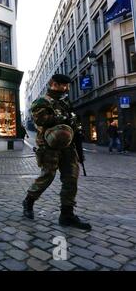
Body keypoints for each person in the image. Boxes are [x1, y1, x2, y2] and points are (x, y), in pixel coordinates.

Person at [22, 74, 91, 231]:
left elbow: (74, 123)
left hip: (68, 146)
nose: (66, 88)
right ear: (53, 84)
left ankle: (67, 215)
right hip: (49, 146)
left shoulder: (65, 102)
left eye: (67, 86)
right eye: (62, 85)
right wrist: (63, 118)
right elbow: (40, 119)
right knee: (47, 176)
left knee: (71, 178)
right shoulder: (42, 102)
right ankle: (29, 201)